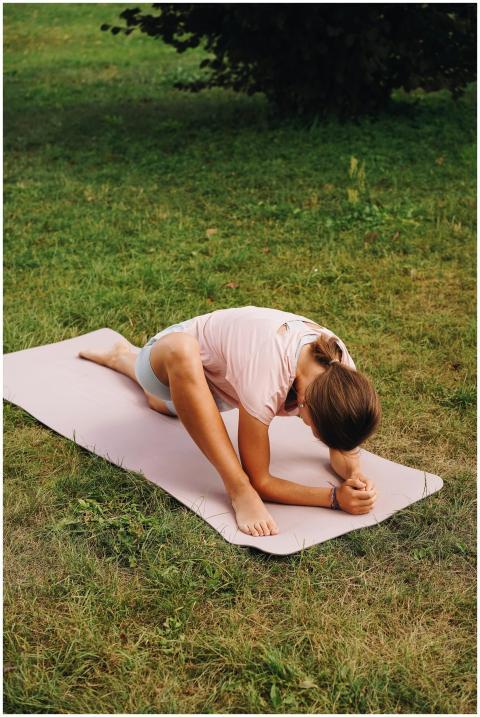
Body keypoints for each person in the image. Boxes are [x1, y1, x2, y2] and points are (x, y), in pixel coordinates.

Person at [78, 305, 381, 537]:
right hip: (171, 353)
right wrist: (333, 499)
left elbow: (343, 447)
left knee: (163, 405)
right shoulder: (268, 374)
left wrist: (353, 474)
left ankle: (120, 358)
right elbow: (260, 480)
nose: (312, 432)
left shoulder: (341, 373)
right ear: (307, 404)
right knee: (180, 356)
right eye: (316, 430)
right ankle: (237, 491)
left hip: (222, 385)